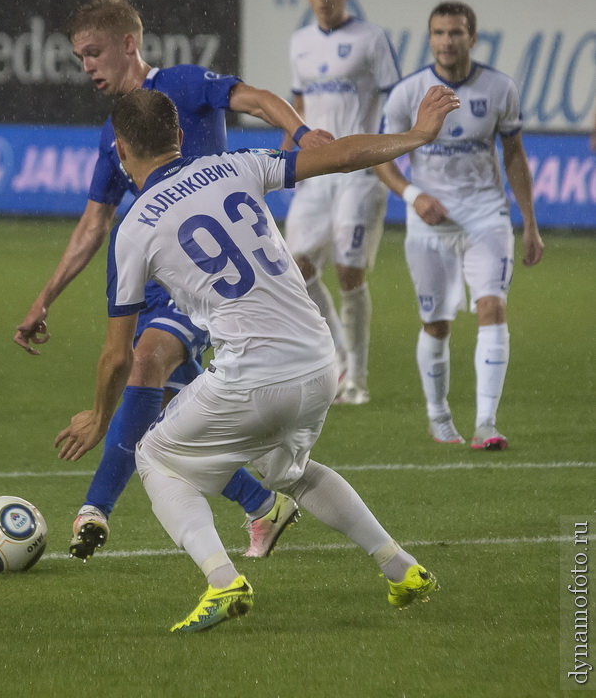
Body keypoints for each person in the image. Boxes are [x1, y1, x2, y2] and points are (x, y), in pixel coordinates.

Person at [55, 84, 459, 631]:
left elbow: (116, 355)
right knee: (282, 468)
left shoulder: (136, 227)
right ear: (178, 137)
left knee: (156, 456)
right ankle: (401, 568)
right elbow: (340, 155)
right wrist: (416, 135)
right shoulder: (235, 165)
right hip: (320, 362)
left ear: (121, 152)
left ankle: (223, 582)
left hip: (254, 373)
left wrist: (101, 418)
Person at [14, 0, 334, 561]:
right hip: (154, 281)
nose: (86, 65)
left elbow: (256, 98)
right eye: (78, 57)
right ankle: (262, 503)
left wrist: (302, 132)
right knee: (163, 412)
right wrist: (45, 298)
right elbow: (94, 223)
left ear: (128, 45)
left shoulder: (184, 85)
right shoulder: (115, 134)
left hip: (207, 281)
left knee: (143, 362)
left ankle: (94, 510)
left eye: (94, 52)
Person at [375, 1, 544, 449]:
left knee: (492, 307)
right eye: (438, 33)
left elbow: (513, 155)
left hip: (486, 216)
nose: (446, 41)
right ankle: (438, 416)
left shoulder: (499, 88)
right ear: (429, 38)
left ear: (472, 36)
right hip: (430, 224)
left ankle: (486, 422)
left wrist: (529, 222)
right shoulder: (408, 93)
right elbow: (382, 159)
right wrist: (414, 195)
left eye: (455, 33)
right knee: (437, 323)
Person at [280, 0, 402, 405]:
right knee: (297, 270)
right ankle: (337, 362)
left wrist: (390, 152)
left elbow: (396, 102)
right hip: (315, 174)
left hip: (359, 173)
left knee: (350, 271)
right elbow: (296, 108)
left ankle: (359, 378)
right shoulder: (300, 43)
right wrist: (283, 159)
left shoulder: (371, 39)